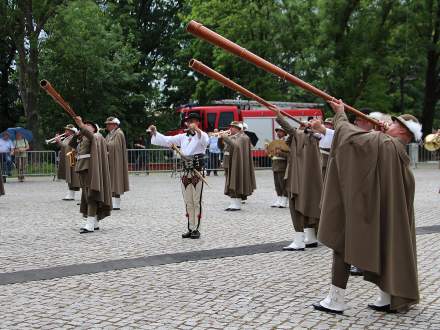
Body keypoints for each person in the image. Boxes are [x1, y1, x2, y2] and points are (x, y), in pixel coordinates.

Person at [313, 100, 421, 314]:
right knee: (388, 244)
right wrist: (380, 132)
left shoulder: (386, 144)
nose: (389, 123)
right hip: (380, 209)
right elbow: (364, 141)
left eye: (394, 122)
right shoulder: (392, 147)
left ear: (402, 131)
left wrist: (341, 114)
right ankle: (387, 297)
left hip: (368, 209)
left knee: (343, 242)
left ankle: (336, 300)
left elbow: (351, 138)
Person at [149, 112, 209, 239]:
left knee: (196, 201)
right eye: (189, 121)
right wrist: (155, 132)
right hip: (185, 173)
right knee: (188, 202)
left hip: (197, 172)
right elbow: (167, 140)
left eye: (193, 121)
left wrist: (197, 129)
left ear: (198, 122)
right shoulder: (182, 137)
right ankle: (190, 227)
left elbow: (205, 141)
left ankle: (197, 229)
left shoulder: (201, 135)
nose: (190, 123)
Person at [275, 109, 323, 251]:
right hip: (310, 179)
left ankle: (299, 241)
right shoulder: (314, 137)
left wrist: (279, 115)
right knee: (309, 205)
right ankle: (311, 237)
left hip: (299, 177)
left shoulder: (304, 135)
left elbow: (290, 132)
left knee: (296, 207)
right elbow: (288, 143)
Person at [70, 117, 112, 234]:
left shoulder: (97, 137)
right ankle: (94, 222)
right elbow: (71, 144)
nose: (86, 126)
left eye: (89, 125)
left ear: (94, 129)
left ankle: (89, 224)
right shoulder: (83, 137)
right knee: (87, 195)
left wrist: (81, 125)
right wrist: (77, 134)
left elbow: (91, 136)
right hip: (82, 167)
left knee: (91, 195)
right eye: (85, 124)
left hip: (90, 168)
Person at [221, 121, 256, 211]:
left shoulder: (243, 137)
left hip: (238, 164)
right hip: (230, 163)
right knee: (230, 183)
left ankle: (237, 203)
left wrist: (226, 138)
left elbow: (236, 146)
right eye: (231, 126)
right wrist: (221, 139)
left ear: (238, 129)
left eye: (233, 127)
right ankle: (233, 201)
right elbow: (224, 148)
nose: (230, 128)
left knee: (236, 181)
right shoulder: (232, 137)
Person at [104, 117, 129, 210]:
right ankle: (112, 201)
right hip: (110, 159)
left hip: (116, 160)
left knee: (116, 180)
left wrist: (106, 146)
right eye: (107, 124)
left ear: (115, 125)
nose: (107, 125)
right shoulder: (110, 134)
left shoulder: (118, 133)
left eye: (109, 124)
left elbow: (115, 146)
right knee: (111, 180)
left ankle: (117, 202)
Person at [56, 124, 81, 201]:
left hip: (72, 158)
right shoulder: (67, 138)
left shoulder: (74, 138)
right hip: (67, 159)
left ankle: (72, 193)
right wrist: (59, 142)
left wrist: (59, 141)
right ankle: (70, 193)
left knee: (73, 177)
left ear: (71, 131)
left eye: (67, 130)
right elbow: (63, 147)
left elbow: (69, 147)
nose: (65, 131)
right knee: (69, 176)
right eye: (65, 130)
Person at [269, 127, 289, 208]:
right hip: (275, 164)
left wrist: (281, 153)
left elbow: (290, 155)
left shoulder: (287, 142)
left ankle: (284, 199)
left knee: (283, 183)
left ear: (284, 133)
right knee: (277, 183)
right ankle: (279, 197)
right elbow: (272, 155)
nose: (278, 133)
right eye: (277, 131)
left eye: (280, 131)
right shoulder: (275, 142)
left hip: (282, 165)